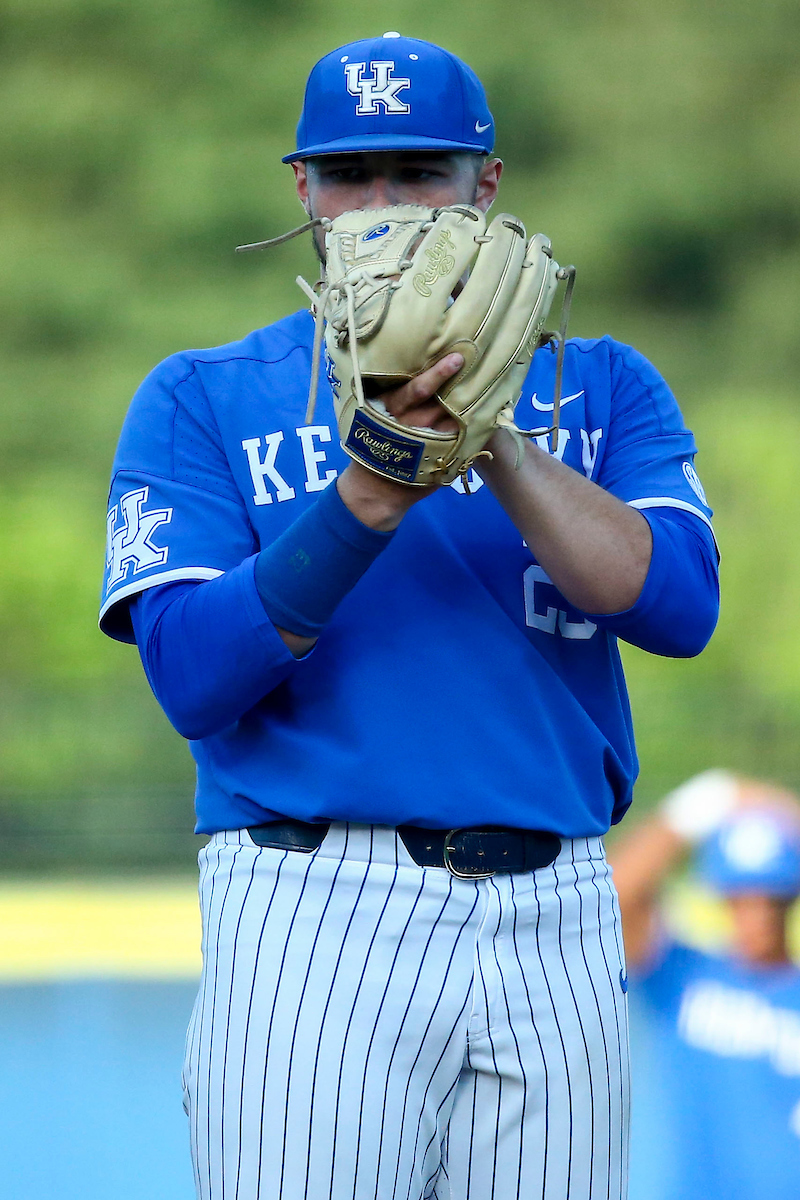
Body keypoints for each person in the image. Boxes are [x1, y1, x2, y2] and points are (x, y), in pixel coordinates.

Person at [99, 32, 719, 1200]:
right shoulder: (204, 393)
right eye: (349, 174)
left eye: (420, 171)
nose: (381, 203)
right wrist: (369, 491)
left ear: (485, 185)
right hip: (312, 905)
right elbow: (190, 677)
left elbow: (677, 607)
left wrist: (494, 438)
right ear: (301, 190)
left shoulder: (599, 383)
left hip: (556, 905)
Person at [610, 770, 800, 1200]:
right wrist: (709, 799)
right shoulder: (681, 973)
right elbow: (616, 896)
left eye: (771, 898)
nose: (757, 914)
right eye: (741, 897)